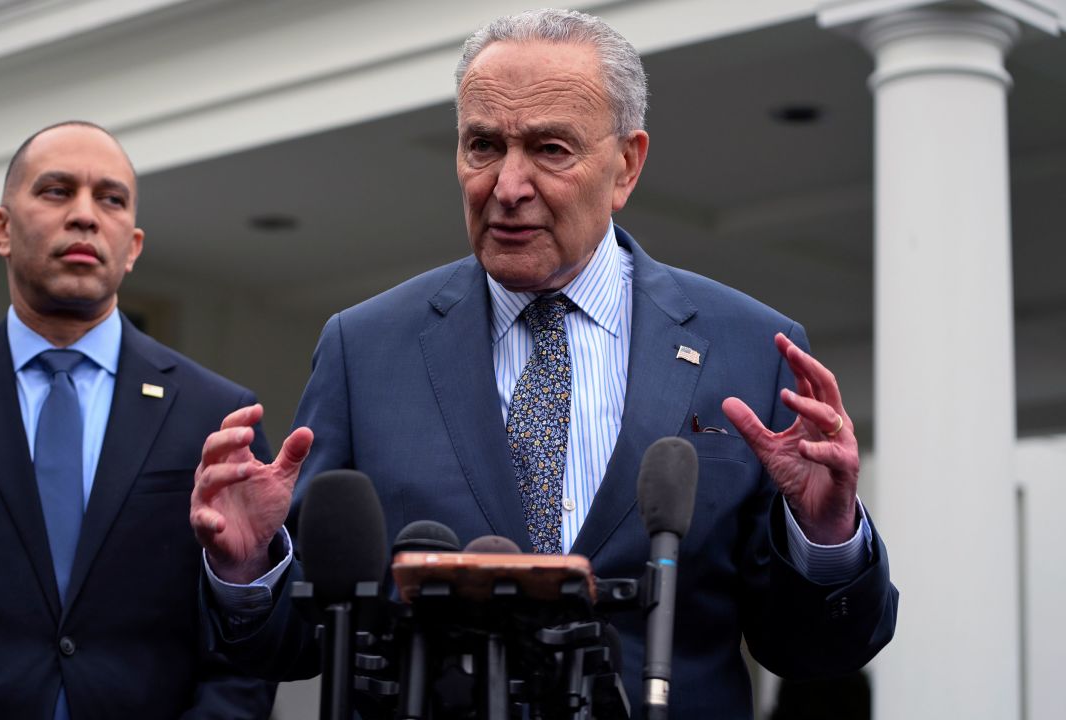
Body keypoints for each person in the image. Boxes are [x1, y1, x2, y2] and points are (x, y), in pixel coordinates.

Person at [192, 9, 898, 718]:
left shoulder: (750, 347)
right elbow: (296, 640)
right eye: (483, 146)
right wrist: (249, 568)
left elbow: (813, 653)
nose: (507, 185)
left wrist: (827, 534)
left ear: (626, 164)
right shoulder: (365, 348)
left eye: (550, 149)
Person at [0, 121, 277, 719]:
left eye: (110, 199)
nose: (86, 216)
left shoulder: (215, 416)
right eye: (57, 191)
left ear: (134, 245)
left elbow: (245, 662)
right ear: (1, 229)